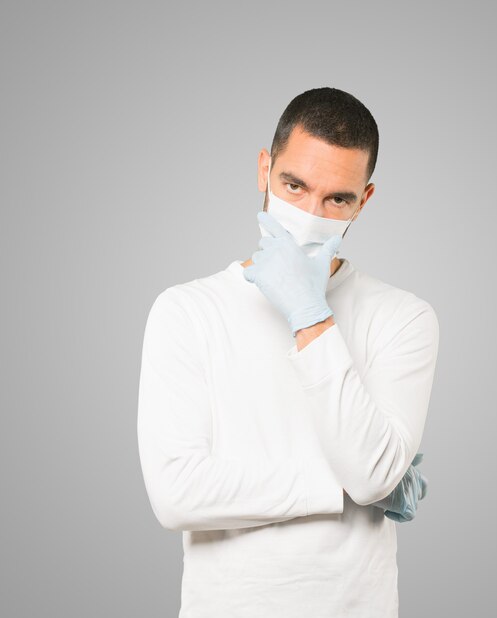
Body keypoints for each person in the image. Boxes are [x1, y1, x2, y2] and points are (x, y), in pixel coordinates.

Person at [137, 87, 439, 617]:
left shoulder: (404, 317)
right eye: (293, 186)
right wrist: (343, 489)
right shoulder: (186, 311)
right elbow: (177, 494)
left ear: (363, 201)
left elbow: (372, 477)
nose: (309, 213)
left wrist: (309, 314)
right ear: (264, 170)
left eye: (337, 199)